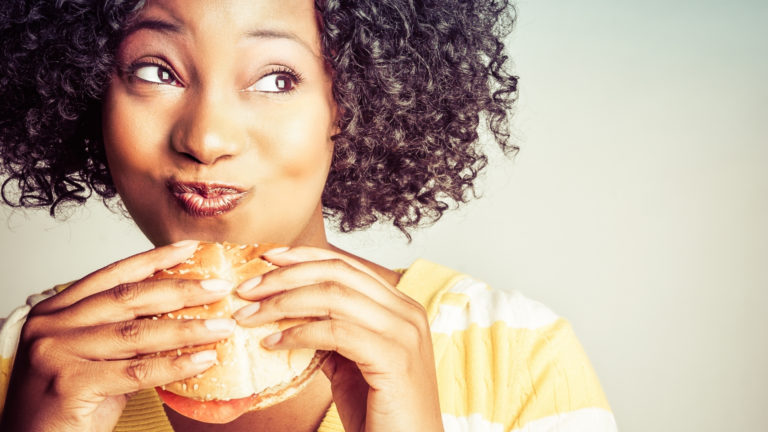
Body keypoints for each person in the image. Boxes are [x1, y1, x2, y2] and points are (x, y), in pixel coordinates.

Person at [0, 0, 617, 430]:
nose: (207, 137)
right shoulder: (21, 361)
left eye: (275, 79)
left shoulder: (517, 358)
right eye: (156, 70)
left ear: (350, 101)